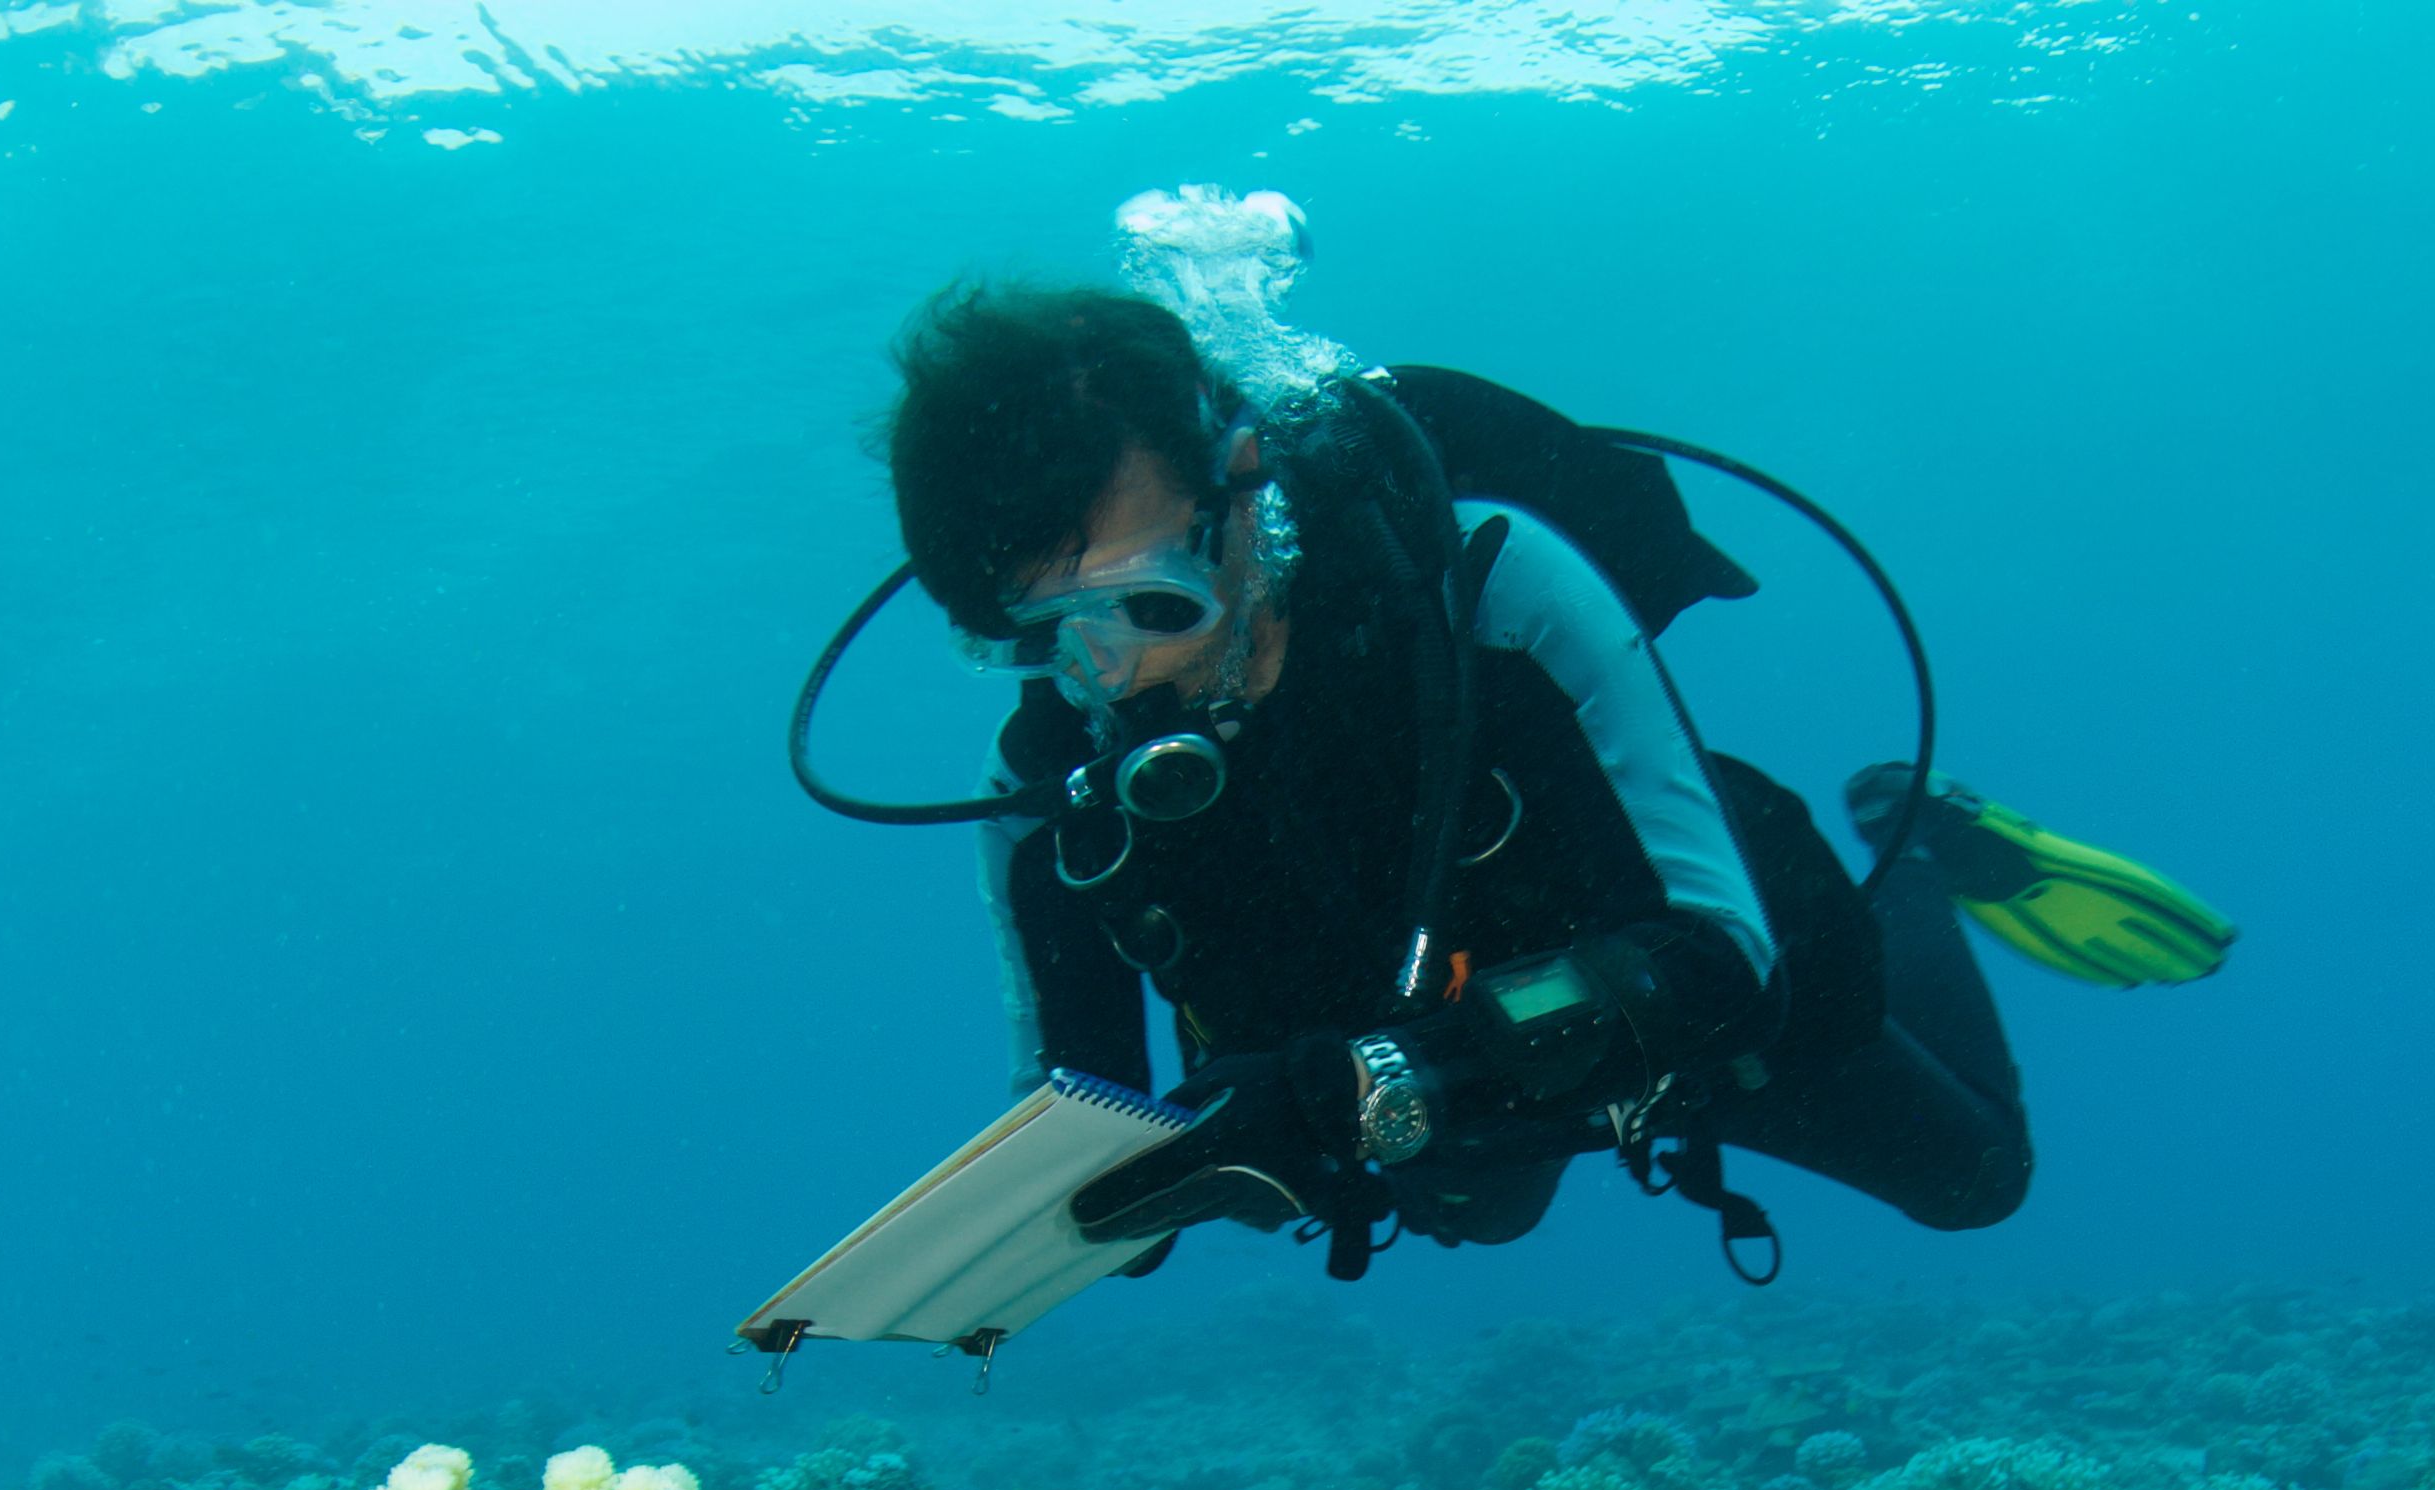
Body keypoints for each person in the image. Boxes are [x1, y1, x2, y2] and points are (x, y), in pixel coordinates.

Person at [871, 273, 2231, 1282]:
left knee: (1975, 1182)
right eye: (1036, 635)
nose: (1109, 675)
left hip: (1674, 975)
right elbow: (1085, 1141)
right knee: (1479, 1211)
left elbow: (1719, 963)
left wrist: (1362, 1083)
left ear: (1241, 488)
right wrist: (1109, 1200)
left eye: (1148, 602)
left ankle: (1914, 849)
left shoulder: (1489, 590)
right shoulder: (1046, 781)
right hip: (1442, 1091)